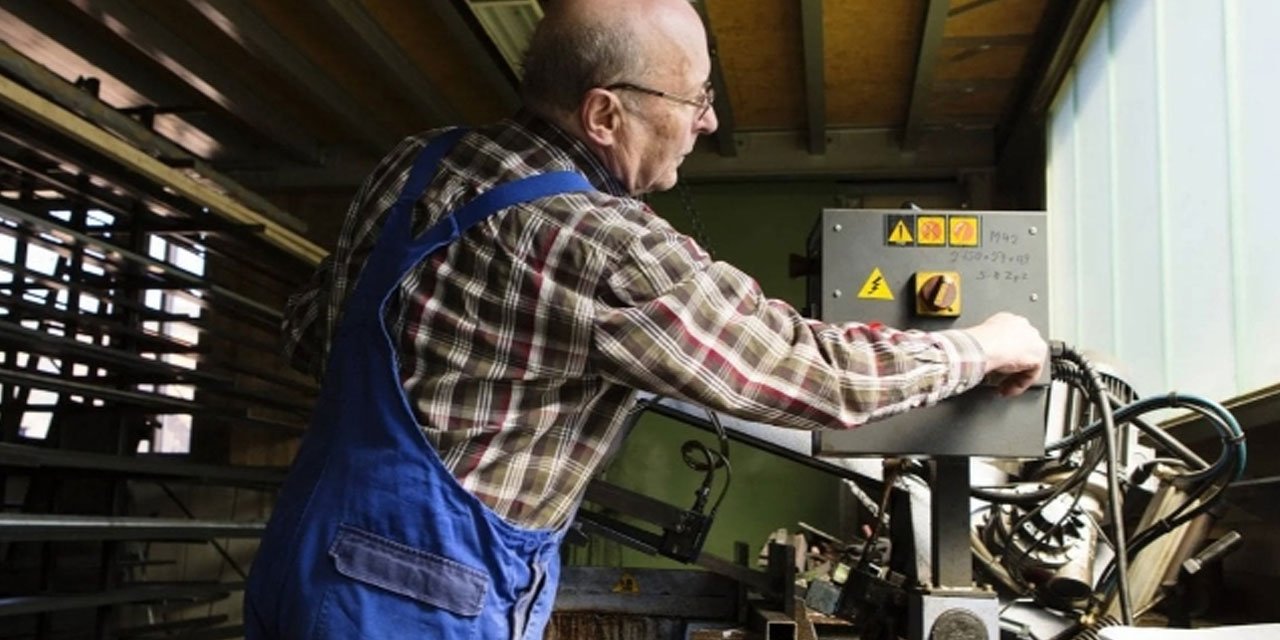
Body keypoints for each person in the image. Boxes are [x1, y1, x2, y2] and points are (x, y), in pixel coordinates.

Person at [243, 0, 1047, 637]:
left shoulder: (414, 162)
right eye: (695, 96)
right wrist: (982, 346)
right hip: (418, 601)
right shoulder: (596, 242)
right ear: (604, 116)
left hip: (301, 556)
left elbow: (313, 331)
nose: (709, 121)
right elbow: (809, 375)